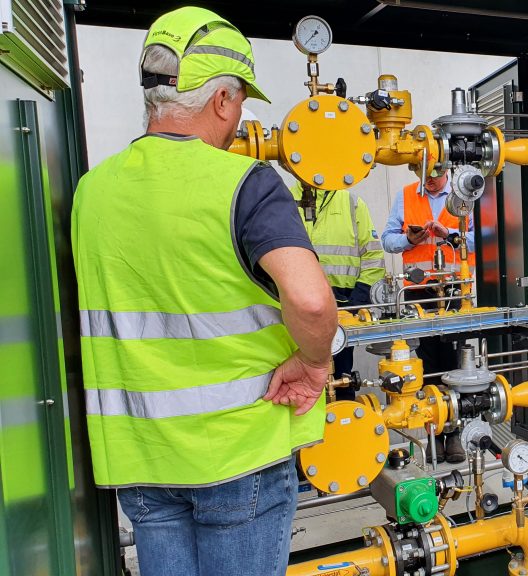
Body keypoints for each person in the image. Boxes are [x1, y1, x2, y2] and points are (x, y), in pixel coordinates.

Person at [71, 7, 337, 576]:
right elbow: (312, 300)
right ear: (221, 100)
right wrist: (313, 364)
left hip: (142, 463)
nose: (240, 117)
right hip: (238, 456)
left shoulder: (91, 192)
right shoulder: (244, 183)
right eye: (240, 100)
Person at [381, 168, 476, 463]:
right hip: (419, 290)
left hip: (454, 290)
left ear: (447, 169)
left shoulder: (465, 196)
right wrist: (411, 239)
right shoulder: (407, 195)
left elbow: (480, 239)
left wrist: (451, 235)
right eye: (424, 173)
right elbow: (387, 240)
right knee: (426, 361)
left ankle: (456, 433)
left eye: (434, 173)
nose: (429, 179)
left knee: (458, 360)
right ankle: (433, 432)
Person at [292, 185, 386, 398]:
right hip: (297, 310)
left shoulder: (352, 204)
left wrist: (354, 305)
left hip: (344, 310)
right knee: (301, 384)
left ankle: (345, 425)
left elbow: (373, 259)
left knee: (342, 380)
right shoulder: (286, 199)